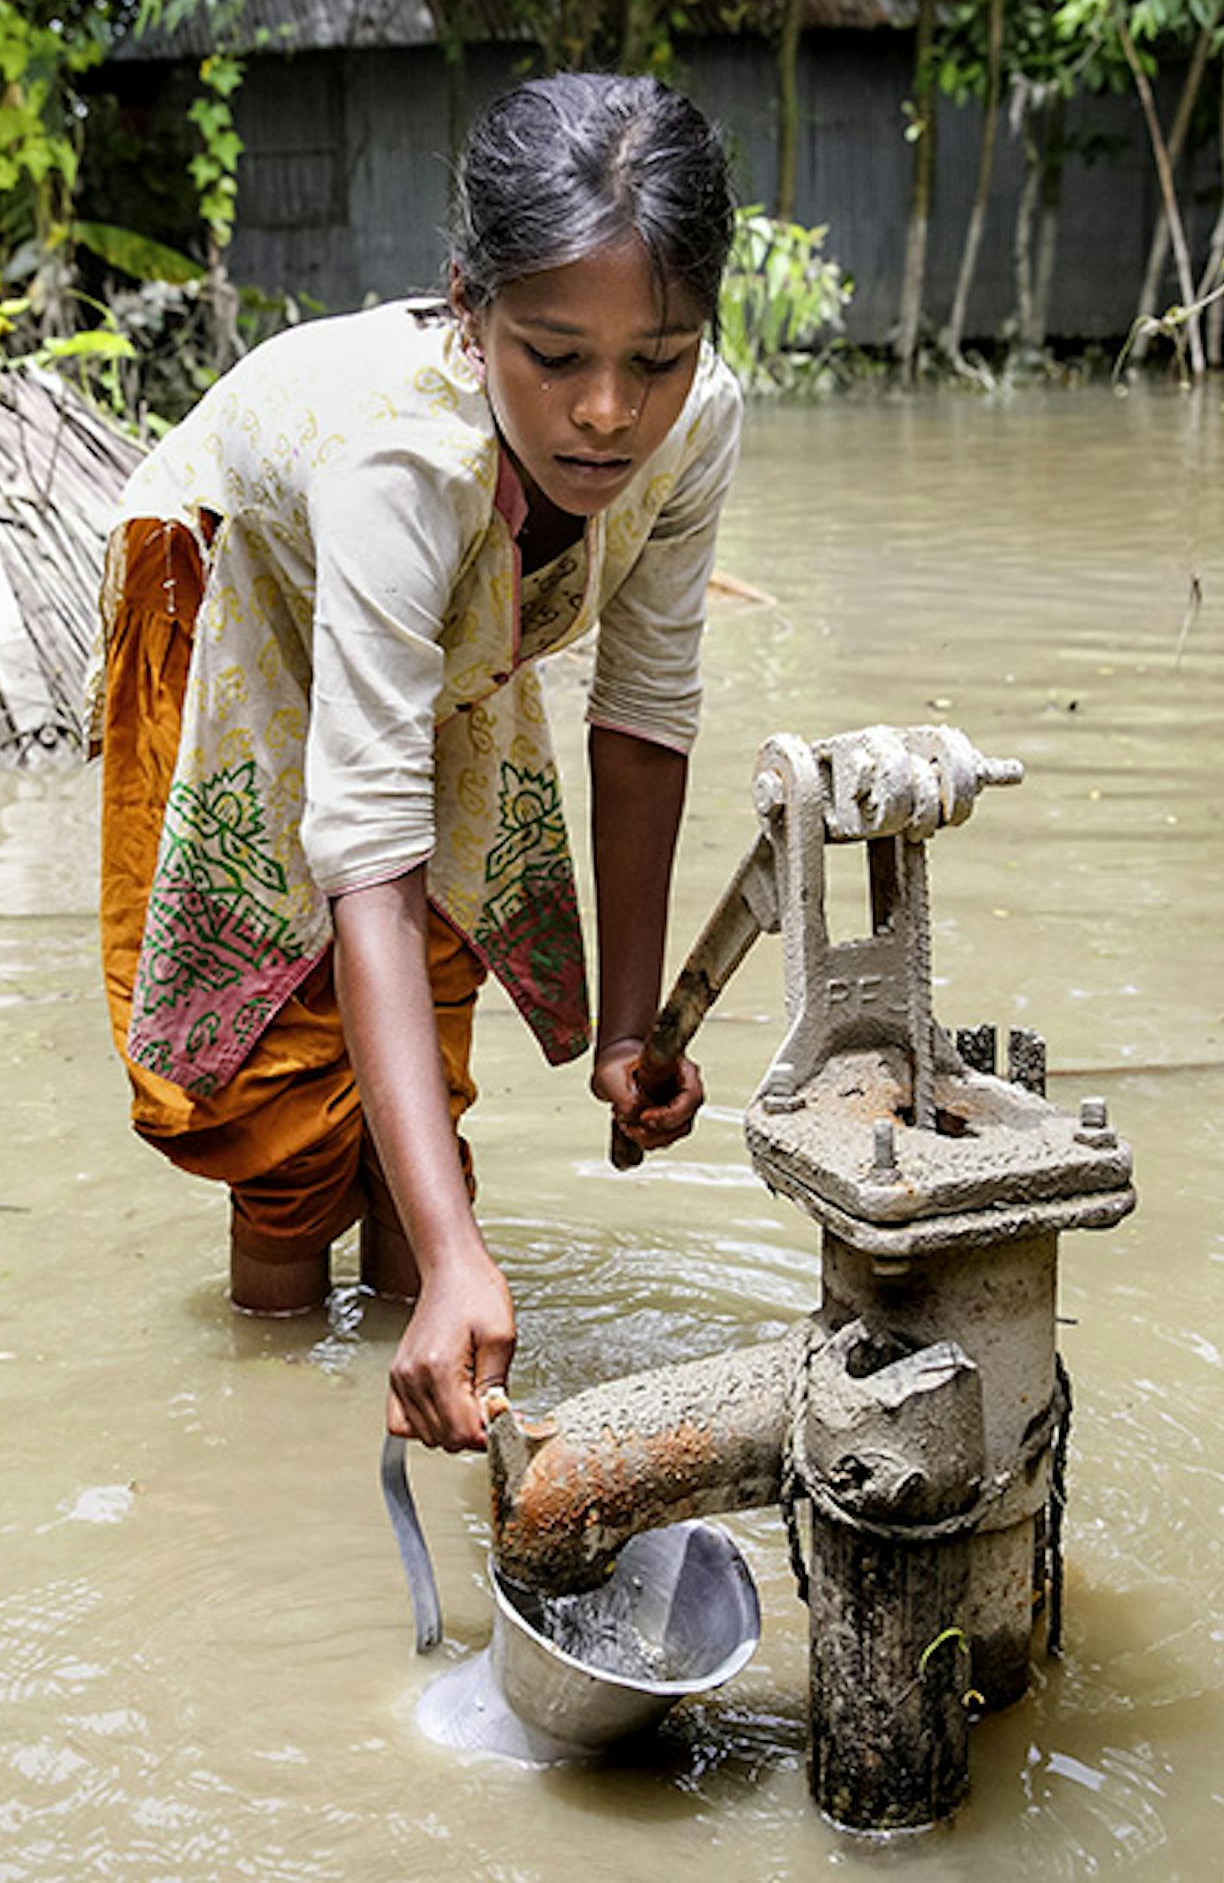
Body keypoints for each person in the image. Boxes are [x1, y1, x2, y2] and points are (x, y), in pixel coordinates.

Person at [91, 73, 740, 1455]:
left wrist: (631, 1031)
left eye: (660, 357)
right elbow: (366, 857)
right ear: (470, 307)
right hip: (237, 577)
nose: (610, 414)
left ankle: (419, 1290)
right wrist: (470, 1258)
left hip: (456, 606)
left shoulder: (697, 425)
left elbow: (645, 708)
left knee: (439, 980)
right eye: (555, 356)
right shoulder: (401, 459)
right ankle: (274, 1403)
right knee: (271, 1076)